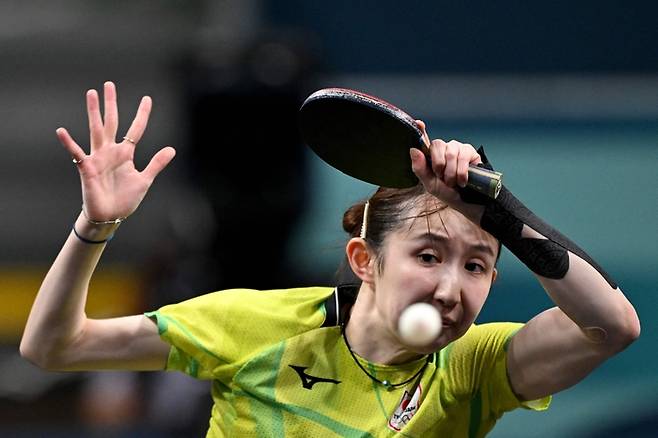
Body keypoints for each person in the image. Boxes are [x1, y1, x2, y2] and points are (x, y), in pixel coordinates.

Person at [20, 82, 640, 437]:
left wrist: (498, 208)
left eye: (476, 266)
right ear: (364, 260)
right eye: (429, 255)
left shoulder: (470, 369)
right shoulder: (258, 326)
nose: (452, 288)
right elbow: (54, 347)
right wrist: (94, 226)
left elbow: (612, 326)